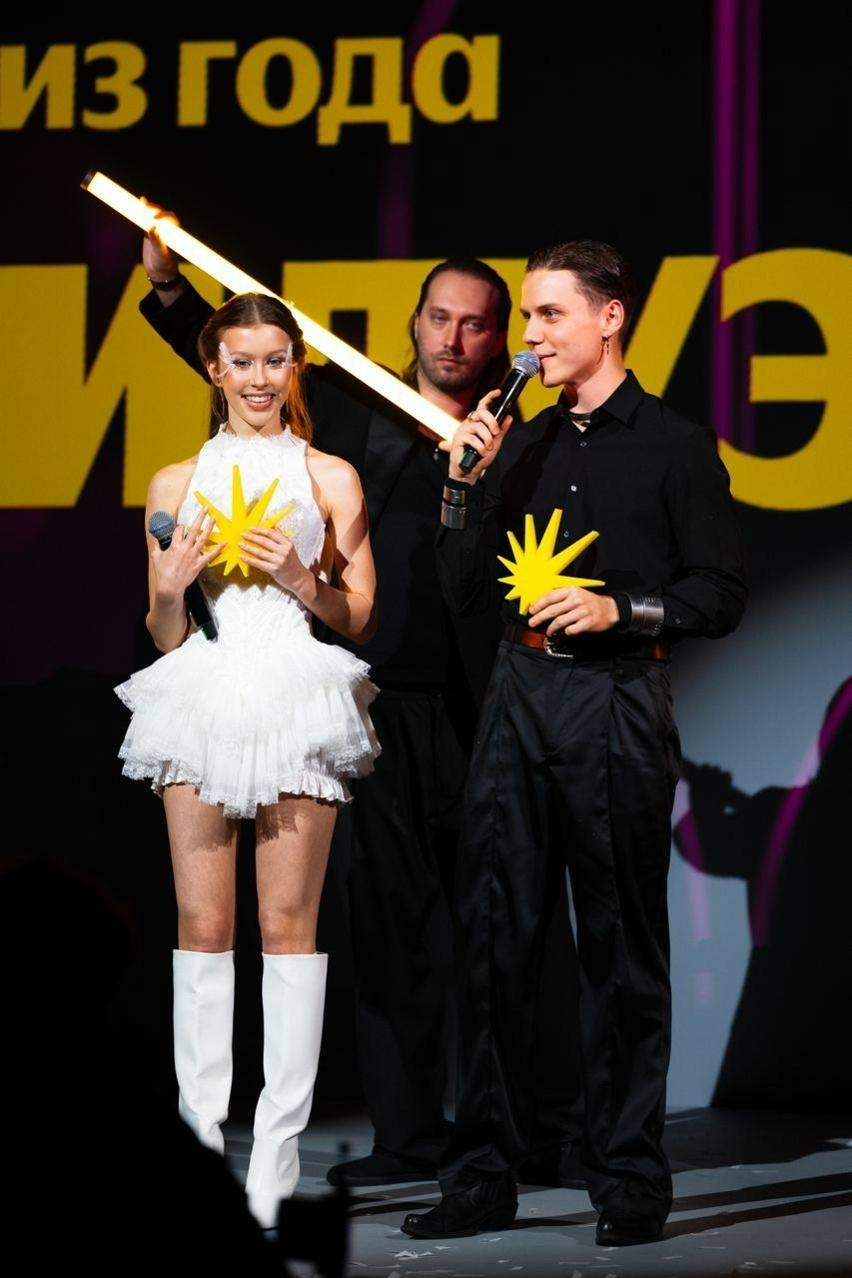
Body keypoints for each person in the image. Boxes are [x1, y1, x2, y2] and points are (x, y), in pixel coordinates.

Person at [139, 224, 583, 1188]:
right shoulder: (358, 407)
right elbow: (245, 363)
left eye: (476, 324)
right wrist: (171, 292)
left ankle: (527, 1134)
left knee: (506, 918)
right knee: (381, 926)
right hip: (365, 700)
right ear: (413, 322)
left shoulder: (523, 441)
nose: (454, 338)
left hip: (486, 701)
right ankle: (404, 1138)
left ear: (498, 339)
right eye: (439, 318)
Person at [401, 240, 747, 1246]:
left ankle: (628, 1175)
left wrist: (620, 608)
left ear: (610, 317)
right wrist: (461, 486)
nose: (529, 337)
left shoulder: (676, 446)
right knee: (493, 941)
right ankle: (481, 1175)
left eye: (549, 314)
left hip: (617, 697)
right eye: (527, 315)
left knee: (619, 948)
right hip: (519, 695)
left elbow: (720, 591)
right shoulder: (521, 444)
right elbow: (466, 594)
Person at [116, 290, 379, 1229]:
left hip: (296, 693)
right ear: (214, 368)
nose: (259, 378)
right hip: (202, 693)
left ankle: (274, 1164)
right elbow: (164, 632)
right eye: (242, 360)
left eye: (275, 360)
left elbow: (359, 615)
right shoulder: (174, 480)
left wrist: (300, 578)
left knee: (288, 927)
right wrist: (171, 590)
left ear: (293, 367)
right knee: (202, 923)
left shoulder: (330, 476)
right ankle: (197, 1158)